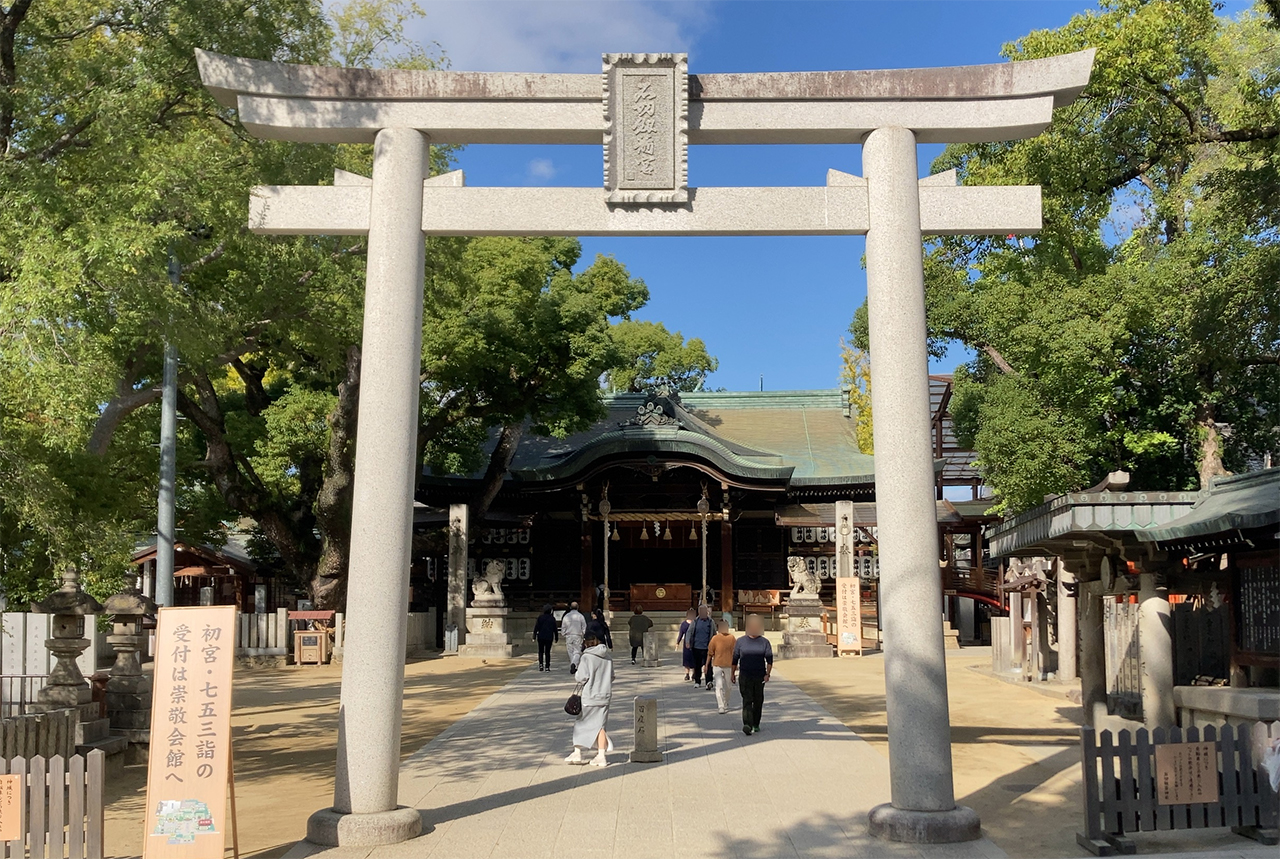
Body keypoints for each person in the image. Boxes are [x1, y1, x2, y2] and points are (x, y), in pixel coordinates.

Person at [565, 632, 615, 767]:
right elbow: (611, 676)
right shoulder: (608, 657)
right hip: (604, 695)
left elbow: (581, 677)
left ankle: (577, 752)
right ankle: (601, 755)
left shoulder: (586, 657)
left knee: (581, 724)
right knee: (600, 726)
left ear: (585, 642)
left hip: (590, 695)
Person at [731, 613, 774, 735]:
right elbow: (735, 658)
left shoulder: (764, 642)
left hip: (759, 675)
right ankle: (747, 724)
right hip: (745, 675)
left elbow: (769, 660)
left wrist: (767, 673)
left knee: (758, 700)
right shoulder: (740, 641)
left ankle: (756, 723)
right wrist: (732, 673)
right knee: (747, 700)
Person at [705, 619, 737, 714]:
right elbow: (710, 653)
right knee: (719, 685)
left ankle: (726, 702)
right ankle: (721, 705)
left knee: (729, 686)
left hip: (729, 665)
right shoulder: (715, 638)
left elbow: (735, 652)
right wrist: (706, 665)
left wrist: (735, 666)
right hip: (717, 664)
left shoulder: (732, 638)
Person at [687, 604, 716, 689]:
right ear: (699, 612)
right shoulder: (695, 622)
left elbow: (714, 633)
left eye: (705, 611)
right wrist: (687, 642)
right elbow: (689, 632)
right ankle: (697, 681)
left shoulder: (710, 622)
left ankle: (709, 681)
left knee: (708, 665)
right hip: (696, 646)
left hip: (707, 647)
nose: (704, 613)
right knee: (697, 665)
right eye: (702, 611)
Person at [561, 601, 587, 674]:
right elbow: (584, 626)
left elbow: (563, 626)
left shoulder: (566, 616)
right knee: (577, 651)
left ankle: (573, 664)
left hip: (569, 635)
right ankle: (574, 664)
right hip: (577, 635)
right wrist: (584, 634)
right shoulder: (580, 616)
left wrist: (563, 633)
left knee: (570, 651)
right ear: (578, 607)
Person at [532, 604, 559, 672]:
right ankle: (547, 666)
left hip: (541, 636)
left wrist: (534, 636)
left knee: (540, 651)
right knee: (547, 652)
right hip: (549, 637)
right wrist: (556, 637)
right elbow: (555, 629)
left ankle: (541, 665)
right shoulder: (552, 618)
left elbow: (536, 627)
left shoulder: (540, 617)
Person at [676, 608, 696, 680]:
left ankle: (694, 673)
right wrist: (678, 642)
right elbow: (681, 634)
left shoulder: (695, 623)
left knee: (694, 658)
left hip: (695, 642)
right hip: (687, 643)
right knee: (687, 659)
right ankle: (687, 674)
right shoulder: (684, 624)